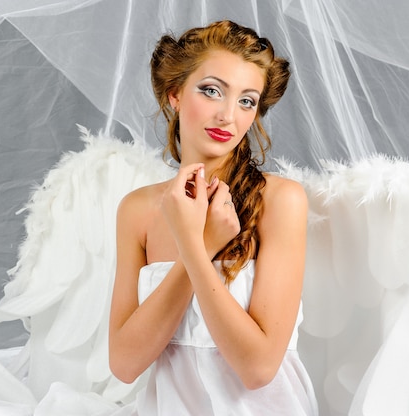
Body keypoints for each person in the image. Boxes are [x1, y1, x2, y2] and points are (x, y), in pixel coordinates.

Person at [108, 20, 318, 415]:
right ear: (175, 94)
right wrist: (201, 244)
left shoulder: (280, 200)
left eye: (246, 101)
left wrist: (192, 245)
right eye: (211, 91)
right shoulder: (136, 210)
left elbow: (257, 369)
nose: (228, 115)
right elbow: (124, 365)